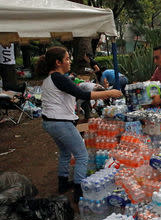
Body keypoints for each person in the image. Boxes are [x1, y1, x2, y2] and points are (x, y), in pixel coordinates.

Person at [35, 46, 122, 202]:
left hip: (50, 123)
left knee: (65, 152)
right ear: (58, 62)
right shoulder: (59, 78)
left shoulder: (49, 80)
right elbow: (82, 94)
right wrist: (109, 93)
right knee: (82, 155)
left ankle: (63, 184)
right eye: (67, 59)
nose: (69, 62)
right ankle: (79, 190)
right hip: (61, 123)